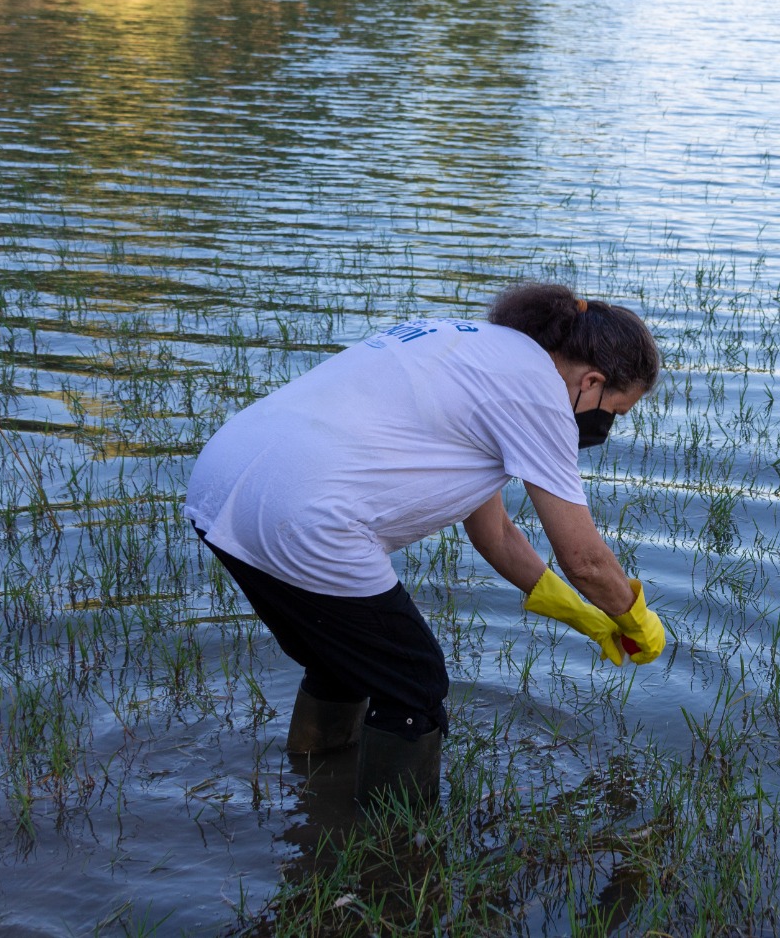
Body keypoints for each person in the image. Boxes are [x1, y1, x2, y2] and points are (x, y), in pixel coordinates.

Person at [183, 283, 666, 807]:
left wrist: (581, 615)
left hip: (221, 485)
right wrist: (637, 618)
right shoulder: (541, 393)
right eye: (614, 411)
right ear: (592, 381)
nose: (604, 425)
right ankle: (393, 845)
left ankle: (315, 790)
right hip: (304, 515)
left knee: (345, 659)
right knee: (414, 684)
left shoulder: (475, 349)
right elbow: (586, 560)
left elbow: (495, 534)